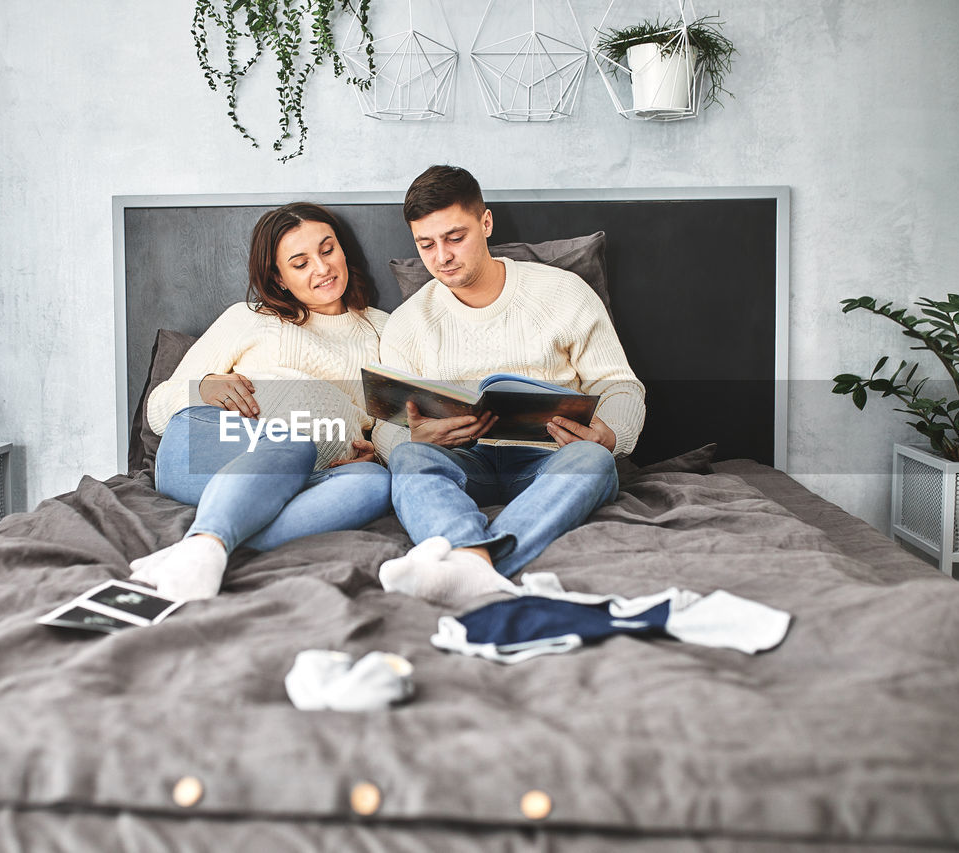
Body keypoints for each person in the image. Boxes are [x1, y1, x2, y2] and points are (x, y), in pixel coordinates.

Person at [373, 165, 646, 607]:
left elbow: (620, 386)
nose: (441, 256)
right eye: (426, 244)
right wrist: (411, 434)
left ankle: (470, 565)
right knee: (408, 456)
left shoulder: (563, 293)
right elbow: (385, 419)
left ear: (486, 223)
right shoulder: (408, 322)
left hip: (550, 461)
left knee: (594, 460)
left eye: (455, 237)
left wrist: (608, 434)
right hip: (465, 463)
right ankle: (476, 560)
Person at [132, 202, 391, 601]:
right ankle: (210, 541)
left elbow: (397, 419)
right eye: (300, 262)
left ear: (342, 250)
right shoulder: (248, 317)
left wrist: (376, 453)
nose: (322, 269)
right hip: (207, 455)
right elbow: (158, 409)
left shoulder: (383, 330)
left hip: (309, 480)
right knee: (291, 442)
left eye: (327, 250)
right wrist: (203, 388)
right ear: (279, 277)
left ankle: (205, 548)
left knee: (375, 485)